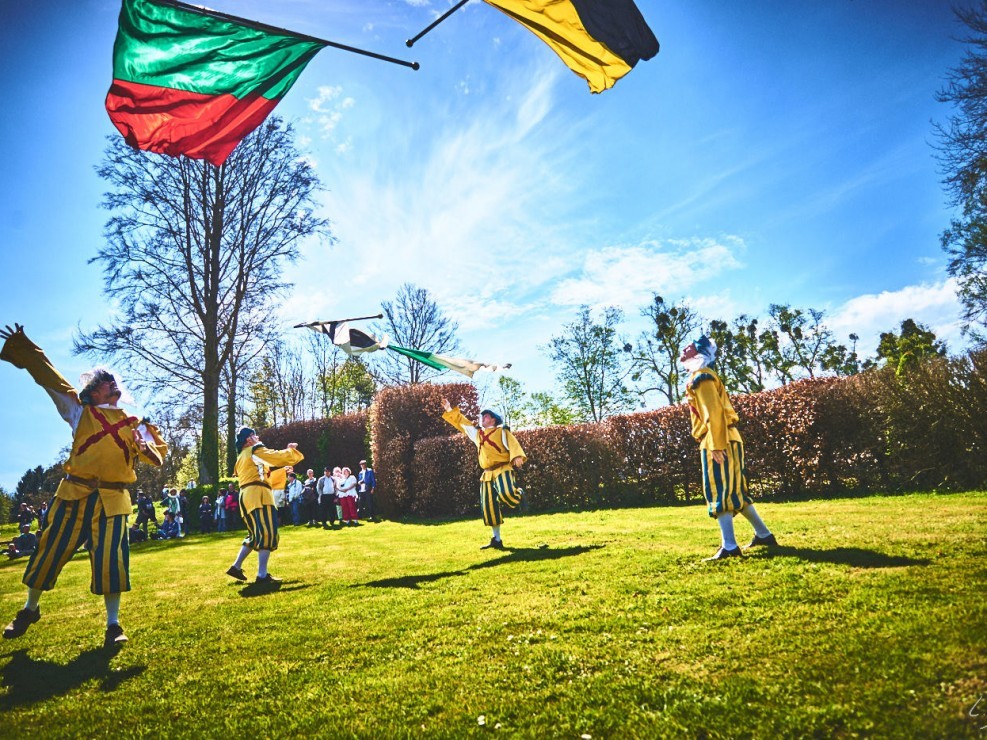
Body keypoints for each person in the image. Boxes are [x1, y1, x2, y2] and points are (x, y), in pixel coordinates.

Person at [0, 323, 167, 647]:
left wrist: (144, 447)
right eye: (104, 384)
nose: (111, 385)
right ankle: (29, 609)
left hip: (113, 500)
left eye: (111, 382)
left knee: (111, 560)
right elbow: (50, 379)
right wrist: (26, 348)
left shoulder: (136, 424)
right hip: (73, 496)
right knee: (49, 552)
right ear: (92, 394)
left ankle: (113, 625)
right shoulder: (79, 412)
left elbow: (158, 457)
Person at [681, 335, 778, 560]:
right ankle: (763, 535)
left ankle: (730, 546)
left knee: (719, 489)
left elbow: (712, 412)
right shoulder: (704, 376)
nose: (685, 348)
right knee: (736, 491)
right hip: (727, 437)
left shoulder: (701, 377)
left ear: (700, 353)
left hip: (718, 438)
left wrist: (716, 444)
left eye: (691, 346)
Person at [441, 399, 526, 550]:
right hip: (486, 474)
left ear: (493, 419)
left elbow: (513, 444)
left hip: (503, 468)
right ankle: (497, 540)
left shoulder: (502, 431)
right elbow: (463, 423)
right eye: (483, 417)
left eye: (486, 416)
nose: (483, 418)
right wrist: (449, 409)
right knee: (489, 507)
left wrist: (517, 456)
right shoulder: (477, 434)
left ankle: (520, 494)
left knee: (507, 494)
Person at [226, 427, 303, 586]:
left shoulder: (241, 456)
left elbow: (261, 475)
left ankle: (236, 566)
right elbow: (275, 457)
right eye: (255, 435)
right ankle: (262, 575)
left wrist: (282, 471)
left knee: (255, 535)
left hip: (246, 496)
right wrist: (290, 451)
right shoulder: (255, 449)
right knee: (267, 532)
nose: (258, 437)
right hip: (259, 496)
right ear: (249, 439)